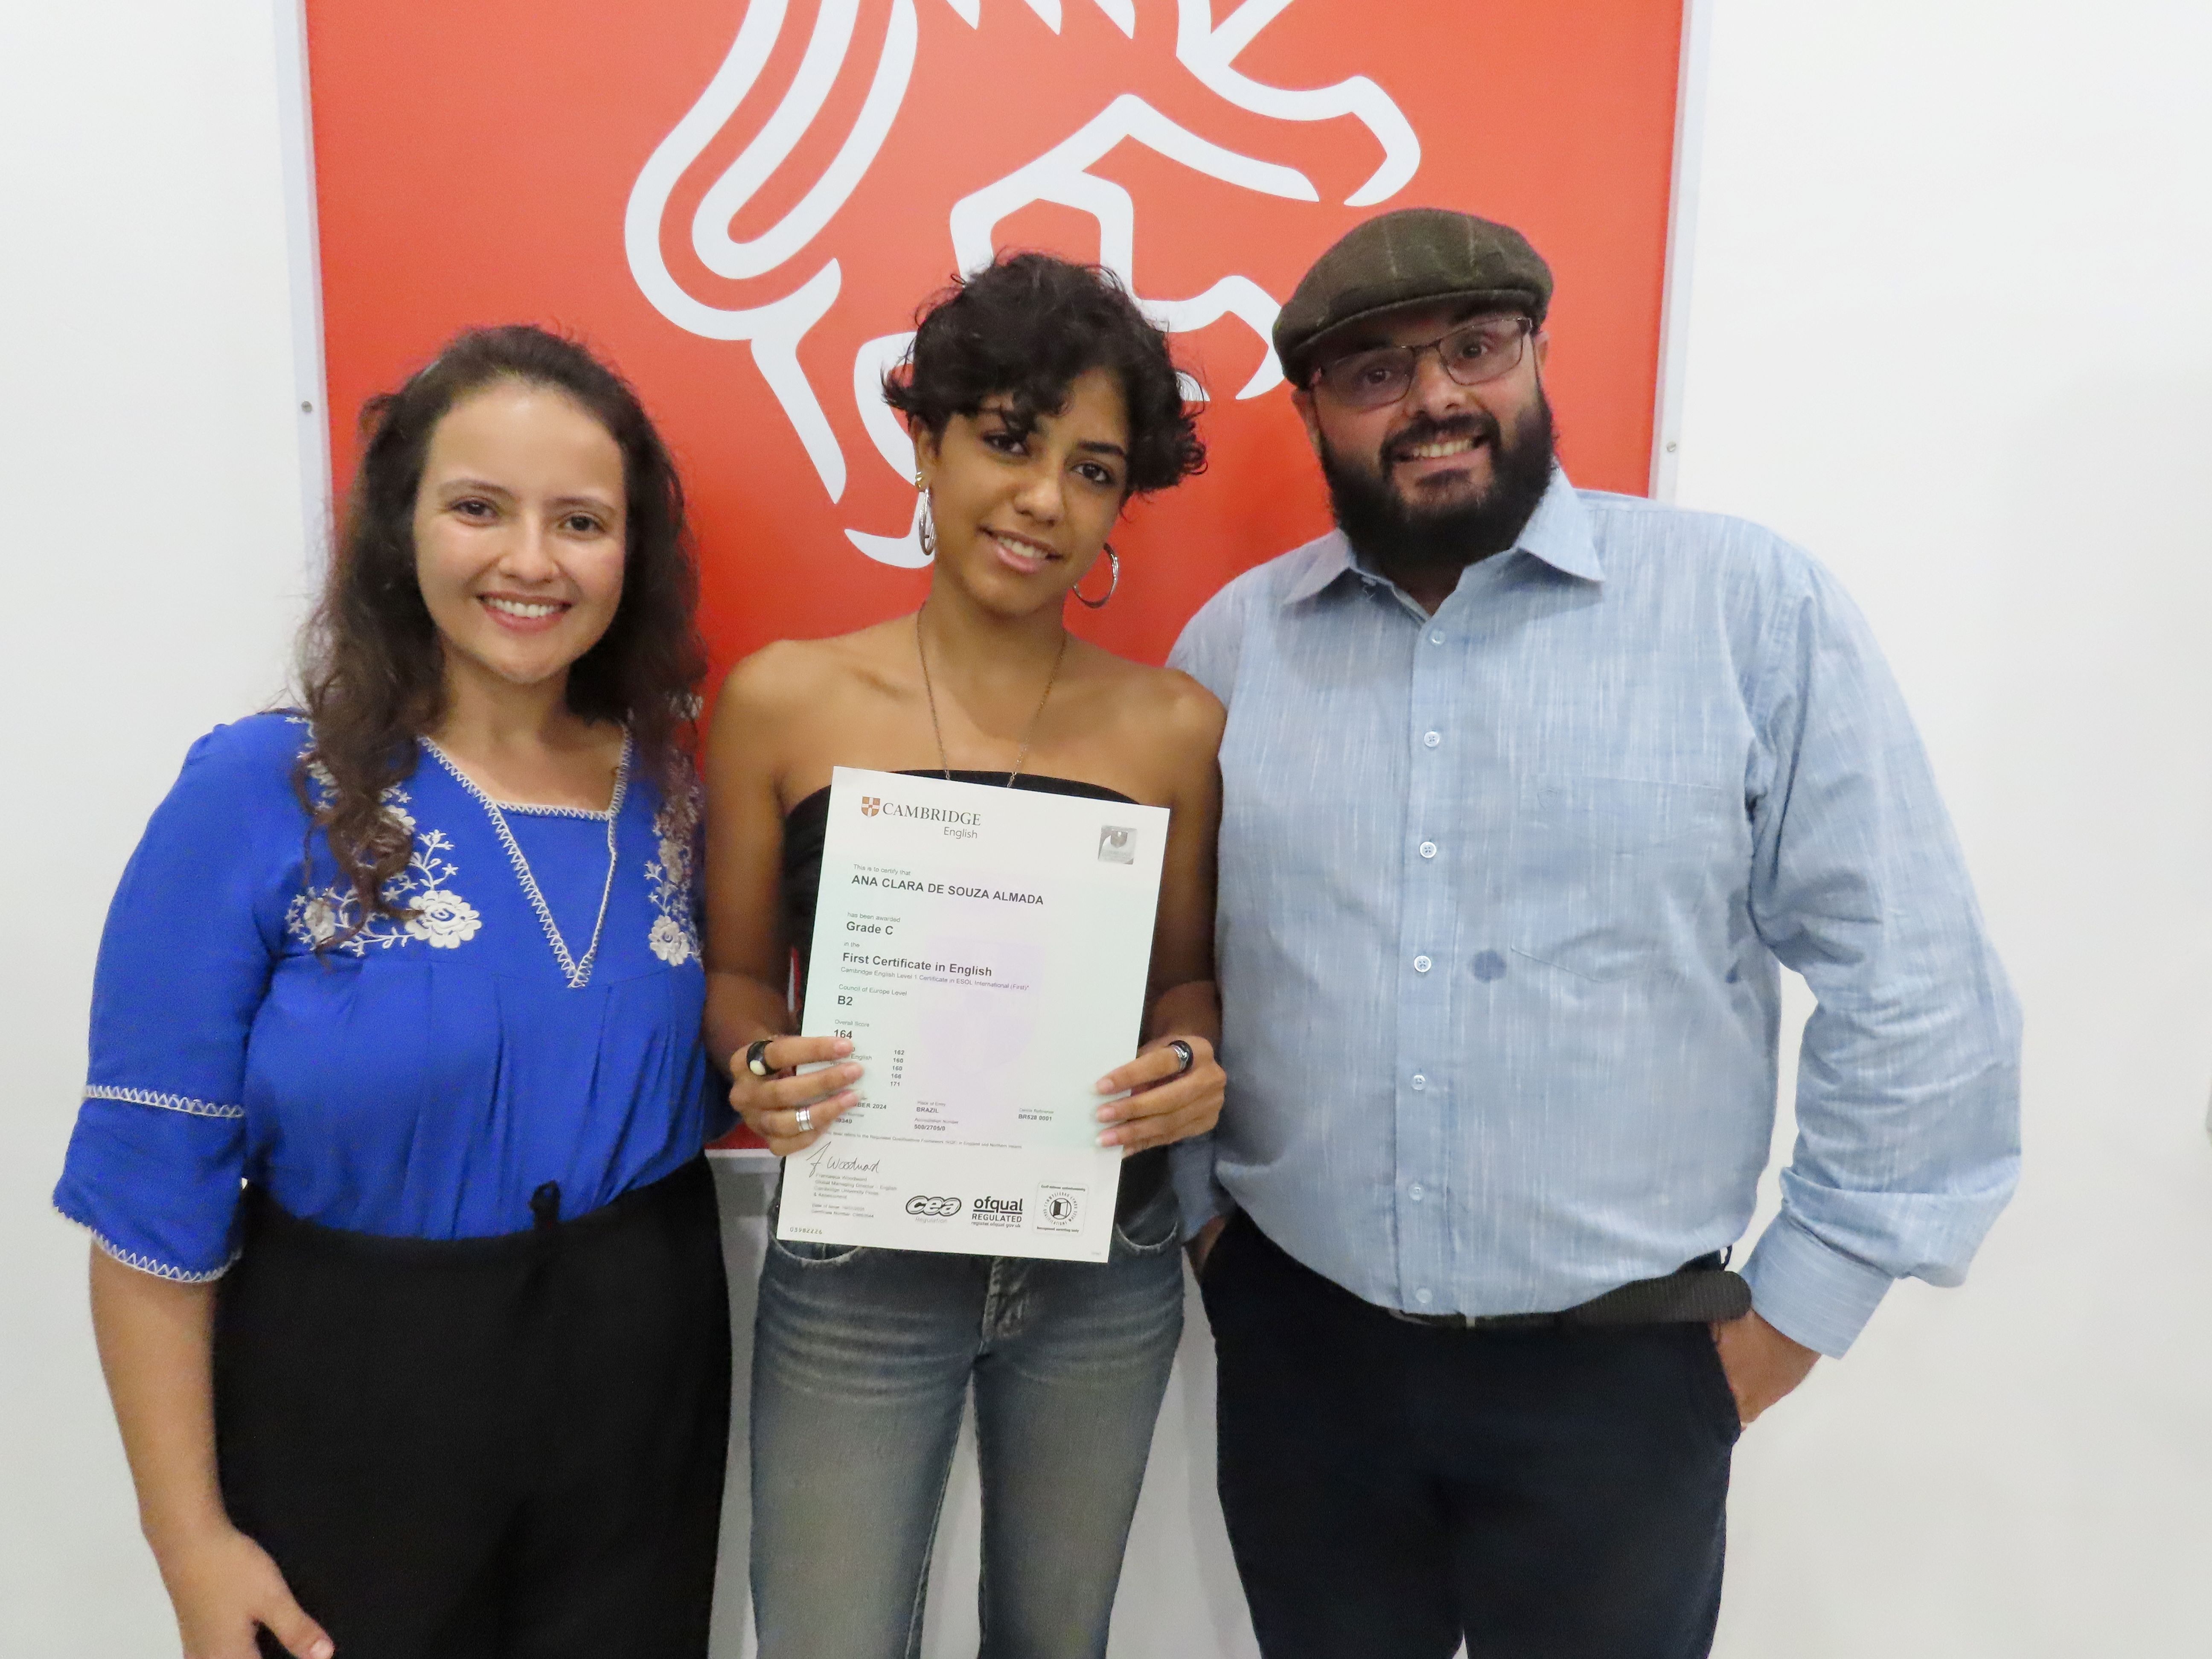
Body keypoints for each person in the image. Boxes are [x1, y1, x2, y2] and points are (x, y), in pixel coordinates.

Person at [1169, 208, 2023, 1659]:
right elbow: (1182, 965)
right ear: (1311, 411)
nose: (1434, 397)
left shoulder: (1745, 607)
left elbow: (1916, 975)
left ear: (1538, 356)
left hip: (1624, 1384)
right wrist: (1212, 1232)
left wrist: (1790, 1320)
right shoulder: (1237, 648)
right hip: (1305, 1362)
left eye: (1475, 348)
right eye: (1373, 371)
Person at [53, 326, 731, 1659]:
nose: (531, 560)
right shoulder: (260, 793)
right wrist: (190, 1544)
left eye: (581, 521)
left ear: (632, 554)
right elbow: (148, 1202)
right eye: (479, 508)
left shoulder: (669, 792)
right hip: (355, 1393)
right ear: (400, 527)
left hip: (642, 1387)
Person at [704, 250, 1226, 1659]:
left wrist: (1192, 1055)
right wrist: (756, 1062)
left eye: (1093, 470)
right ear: (924, 442)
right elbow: (738, 978)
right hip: (859, 1253)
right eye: (1007, 440)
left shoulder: (1175, 727)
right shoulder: (784, 699)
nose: (1045, 498)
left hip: (1102, 1253)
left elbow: (1185, 978)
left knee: (1058, 1642)